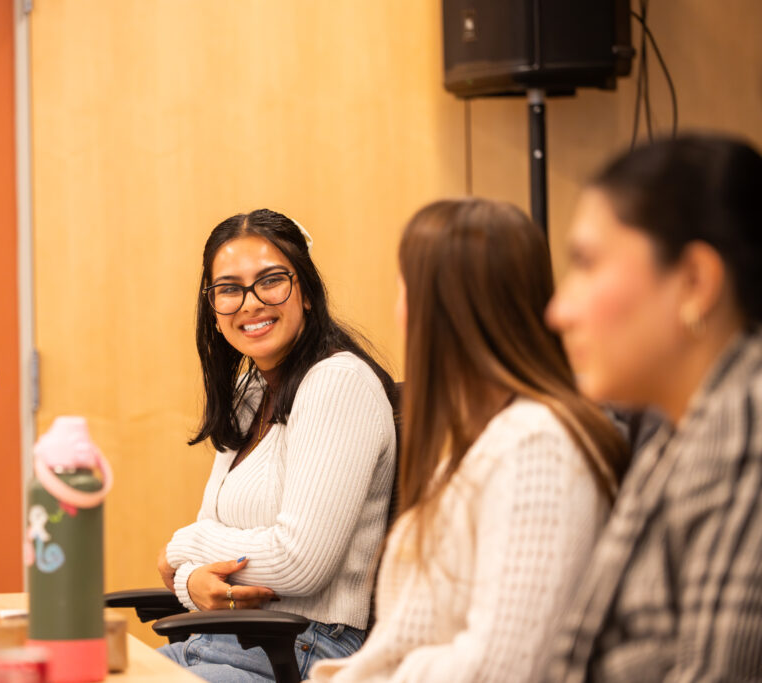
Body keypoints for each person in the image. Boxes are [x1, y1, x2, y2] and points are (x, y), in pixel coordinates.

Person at [309, 198, 629, 682]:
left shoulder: (536, 446)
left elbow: (504, 668)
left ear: (440, 311)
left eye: (403, 289)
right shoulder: (480, 445)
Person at [544, 134, 762, 681]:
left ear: (694, 283)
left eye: (587, 264)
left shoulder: (745, 430)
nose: (559, 310)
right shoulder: (680, 431)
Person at [157, 209, 399, 682]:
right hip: (217, 641)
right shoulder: (251, 396)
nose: (250, 303)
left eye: (270, 281)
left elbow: (298, 562)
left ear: (306, 291)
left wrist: (180, 548)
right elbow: (203, 548)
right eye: (229, 289)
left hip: (302, 650)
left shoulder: (338, 382)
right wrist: (190, 579)